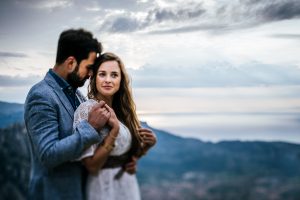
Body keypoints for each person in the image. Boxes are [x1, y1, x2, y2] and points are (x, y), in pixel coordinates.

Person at [24, 29, 110, 200]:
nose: (91, 74)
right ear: (71, 62)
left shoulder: (77, 95)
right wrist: (91, 127)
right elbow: (48, 154)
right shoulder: (41, 95)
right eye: (89, 67)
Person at [73, 52, 157, 200]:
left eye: (114, 75)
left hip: (127, 185)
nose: (108, 80)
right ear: (94, 77)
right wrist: (114, 131)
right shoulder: (87, 109)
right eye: (102, 74)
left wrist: (146, 147)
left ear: (121, 80)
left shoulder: (123, 111)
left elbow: (123, 154)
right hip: (103, 187)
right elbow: (91, 166)